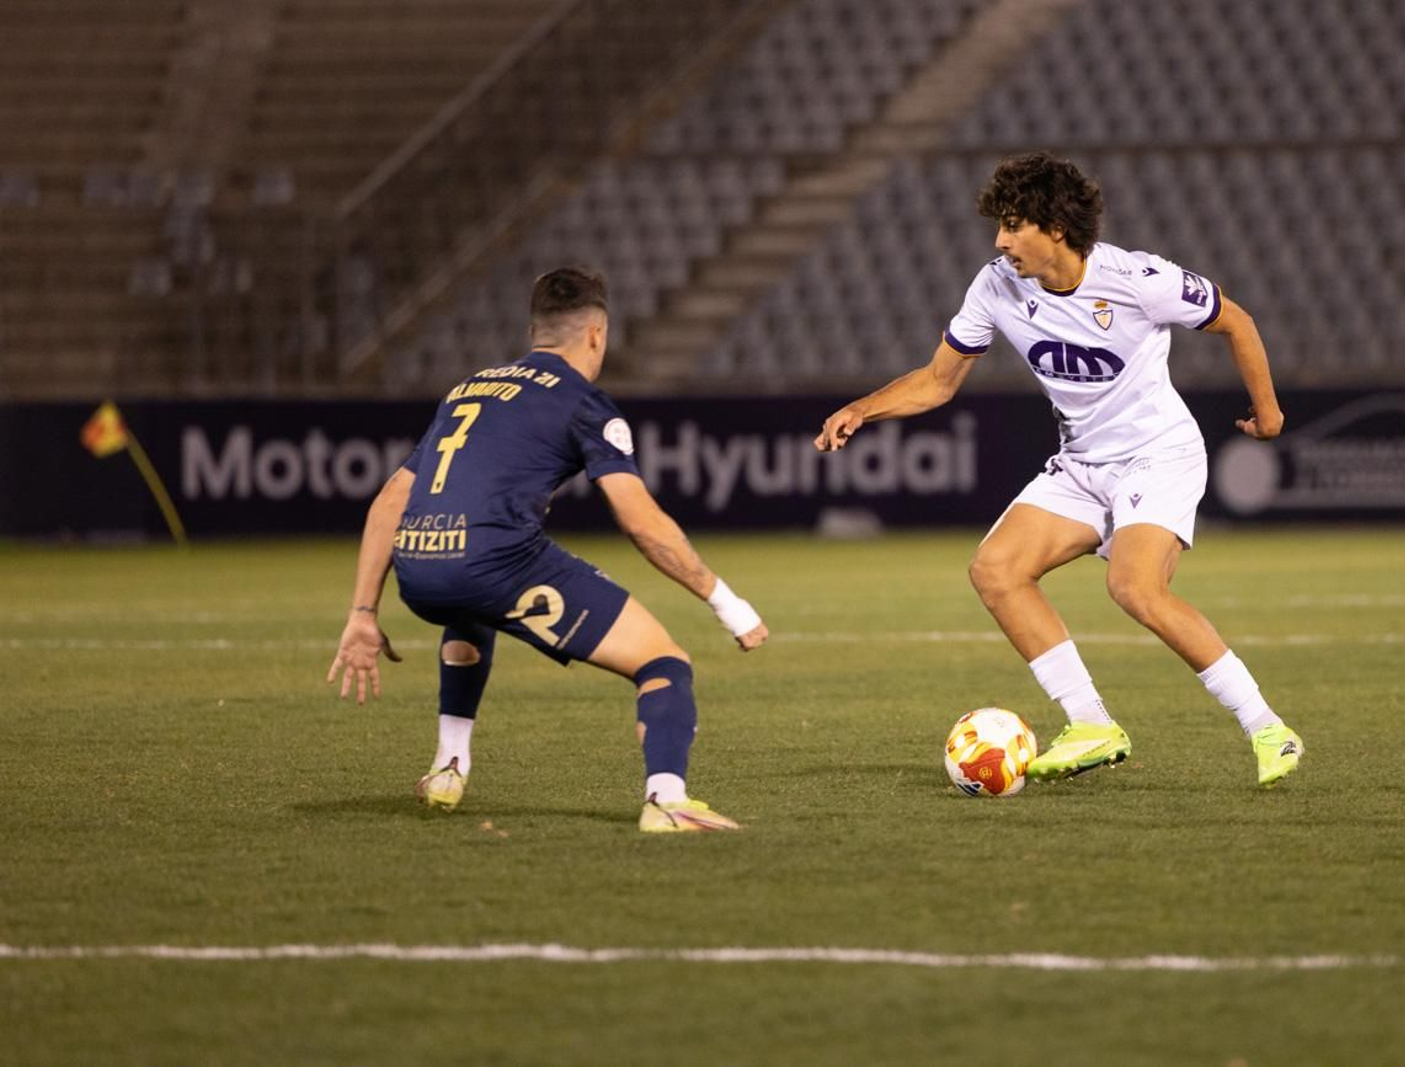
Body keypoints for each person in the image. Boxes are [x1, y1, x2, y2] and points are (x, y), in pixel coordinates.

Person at [815, 152, 1303, 787]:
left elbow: (1236, 321)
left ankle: (1268, 727)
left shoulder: (1138, 278)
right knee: (995, 570)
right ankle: (1092, 723)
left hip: (1157, 454)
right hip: (1082, 463)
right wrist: (862, 408)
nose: (1000, 241)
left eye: (1013, 226)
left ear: (1054, 228)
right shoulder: (995, 285)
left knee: (1135, 588)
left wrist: (1269, 418)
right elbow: (938, 382)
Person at [327, 267, 768, 831]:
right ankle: (667, 800)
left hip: (419, 569)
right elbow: (640, 522)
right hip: (494, 562)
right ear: (596, 334)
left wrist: (363, 612)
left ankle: (448, 765)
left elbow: (392, 497)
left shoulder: (469, 387)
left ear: (535, 330)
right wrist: (723, 600)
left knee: (470, 609)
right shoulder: (585, 402)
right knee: (664, 663)